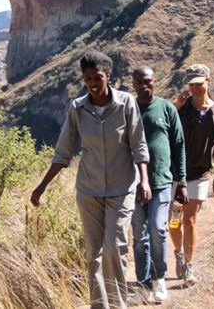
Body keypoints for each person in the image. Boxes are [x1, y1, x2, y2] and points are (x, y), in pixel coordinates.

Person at [30, 50, 152, 309]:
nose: (93, 83)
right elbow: (63, 151)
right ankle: (99, 305)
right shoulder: (78, 108)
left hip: (121, 187)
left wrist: (144, 180)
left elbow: (138, 144)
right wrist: (41, 186)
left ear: (108, 76)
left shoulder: (126, 104)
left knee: (114, 247)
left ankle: (118, 304)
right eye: (88, 79)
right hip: (89, 190)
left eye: (98, 77)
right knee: (94, 253)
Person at [129, 66, 187, 303]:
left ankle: (159, 278)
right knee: (139, 236)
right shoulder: (128, 109)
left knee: (158, 229)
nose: (144, 85)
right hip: (133, 184)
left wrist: (181, 181)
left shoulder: (167, 108)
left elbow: (179, 145)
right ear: (133, 84)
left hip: (162, 182)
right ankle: (142, 286)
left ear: (155, 81)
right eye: (139, 82)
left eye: (148, 81)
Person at [169, 63, 214, 285]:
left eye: (199, 84)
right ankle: (178, 254)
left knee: (190, 219)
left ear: (208, 82)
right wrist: (176, 106)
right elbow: (167, 131)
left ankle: (189, 267)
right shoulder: (181, 107)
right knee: (174, 221)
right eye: (191, 84)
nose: (194, 89)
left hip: (200, 173)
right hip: (176, 174)